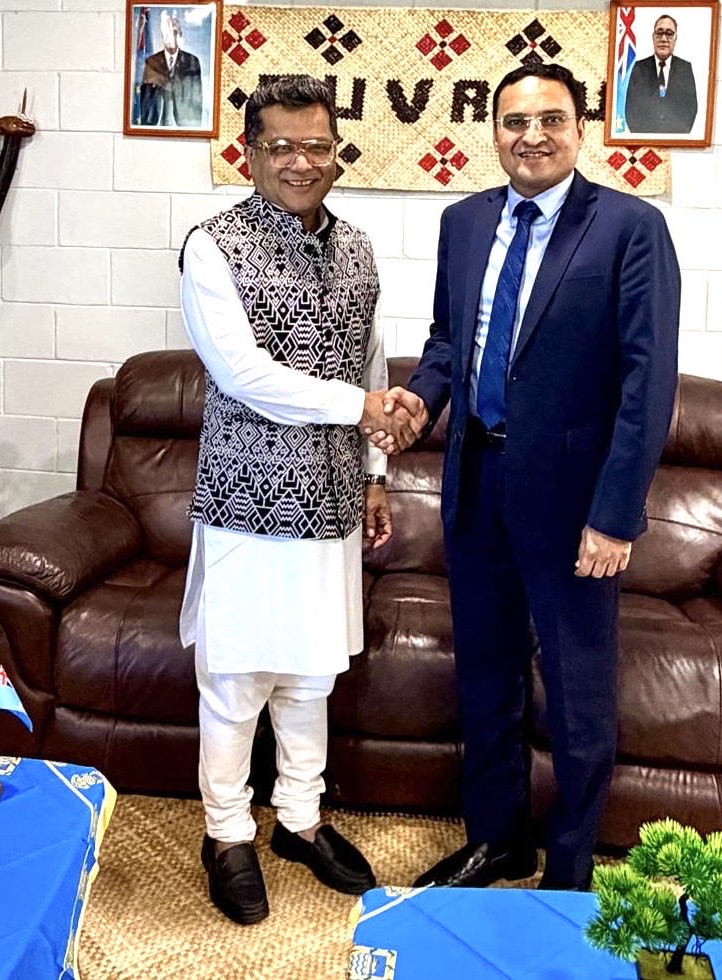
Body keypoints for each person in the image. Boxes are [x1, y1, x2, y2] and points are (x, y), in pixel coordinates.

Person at [373, 62, 680, 892]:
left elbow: (647, 382)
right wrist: (420, 398)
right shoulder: (464, 222)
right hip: (477, 485)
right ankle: (496, 840)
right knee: (485, 677)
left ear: (581, 129)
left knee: (578, 693)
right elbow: (450, 342)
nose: (531, 136)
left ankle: (569, 870)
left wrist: (615, 515)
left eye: (550, 120)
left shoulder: (630, 228)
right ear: (495, 132)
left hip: (575, 506)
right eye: (514, 122)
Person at [177, 74, 417, 926]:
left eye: (317, 145)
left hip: (332, 501)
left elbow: (370, 359)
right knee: (237, 678)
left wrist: (376, 472)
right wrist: (363, 409)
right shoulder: (213, 246)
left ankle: (301, 820)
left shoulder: (357, 246)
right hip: (246, 500)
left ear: (336, 151)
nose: (301, 161)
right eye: (280, 145)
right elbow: (243, 373)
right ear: (249, 153)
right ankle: (226, 834)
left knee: (311, 675)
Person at [624, 14, 698, 134]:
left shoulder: (685, 68)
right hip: (645, 138)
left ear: (675, 39)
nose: (663, 39)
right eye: (659, 33)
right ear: (653, 37)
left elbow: (691, 108)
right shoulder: (638, 68)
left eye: (669, 33)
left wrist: (674, 137)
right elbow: (630, 109)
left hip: (675, 137)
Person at [139, 10, 203, 128]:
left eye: (174, 32)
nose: (171, 37)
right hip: (157, 125)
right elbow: (145, 101)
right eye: (167, 32)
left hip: (184, 124)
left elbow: (197, 99)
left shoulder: (192, 62)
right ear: (162, 36)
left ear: (180, 35)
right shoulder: (151, 62)